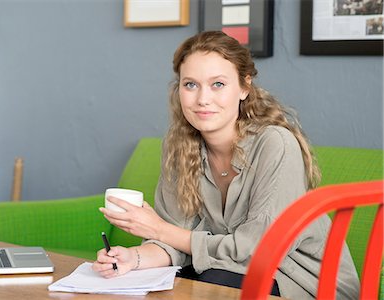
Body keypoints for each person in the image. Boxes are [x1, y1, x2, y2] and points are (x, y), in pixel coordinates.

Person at [92, 31, 360, 299]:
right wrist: (133, 258)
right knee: (172, 283)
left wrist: (160, 229)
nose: (202, 99)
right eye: (190, 85)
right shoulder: (178, 148)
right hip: (229, 272)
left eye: (218, 84)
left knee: (207, 283)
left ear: (244, 87)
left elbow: (258, 250)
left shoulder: (275, 144)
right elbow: (171, 241)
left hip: (306, 282)